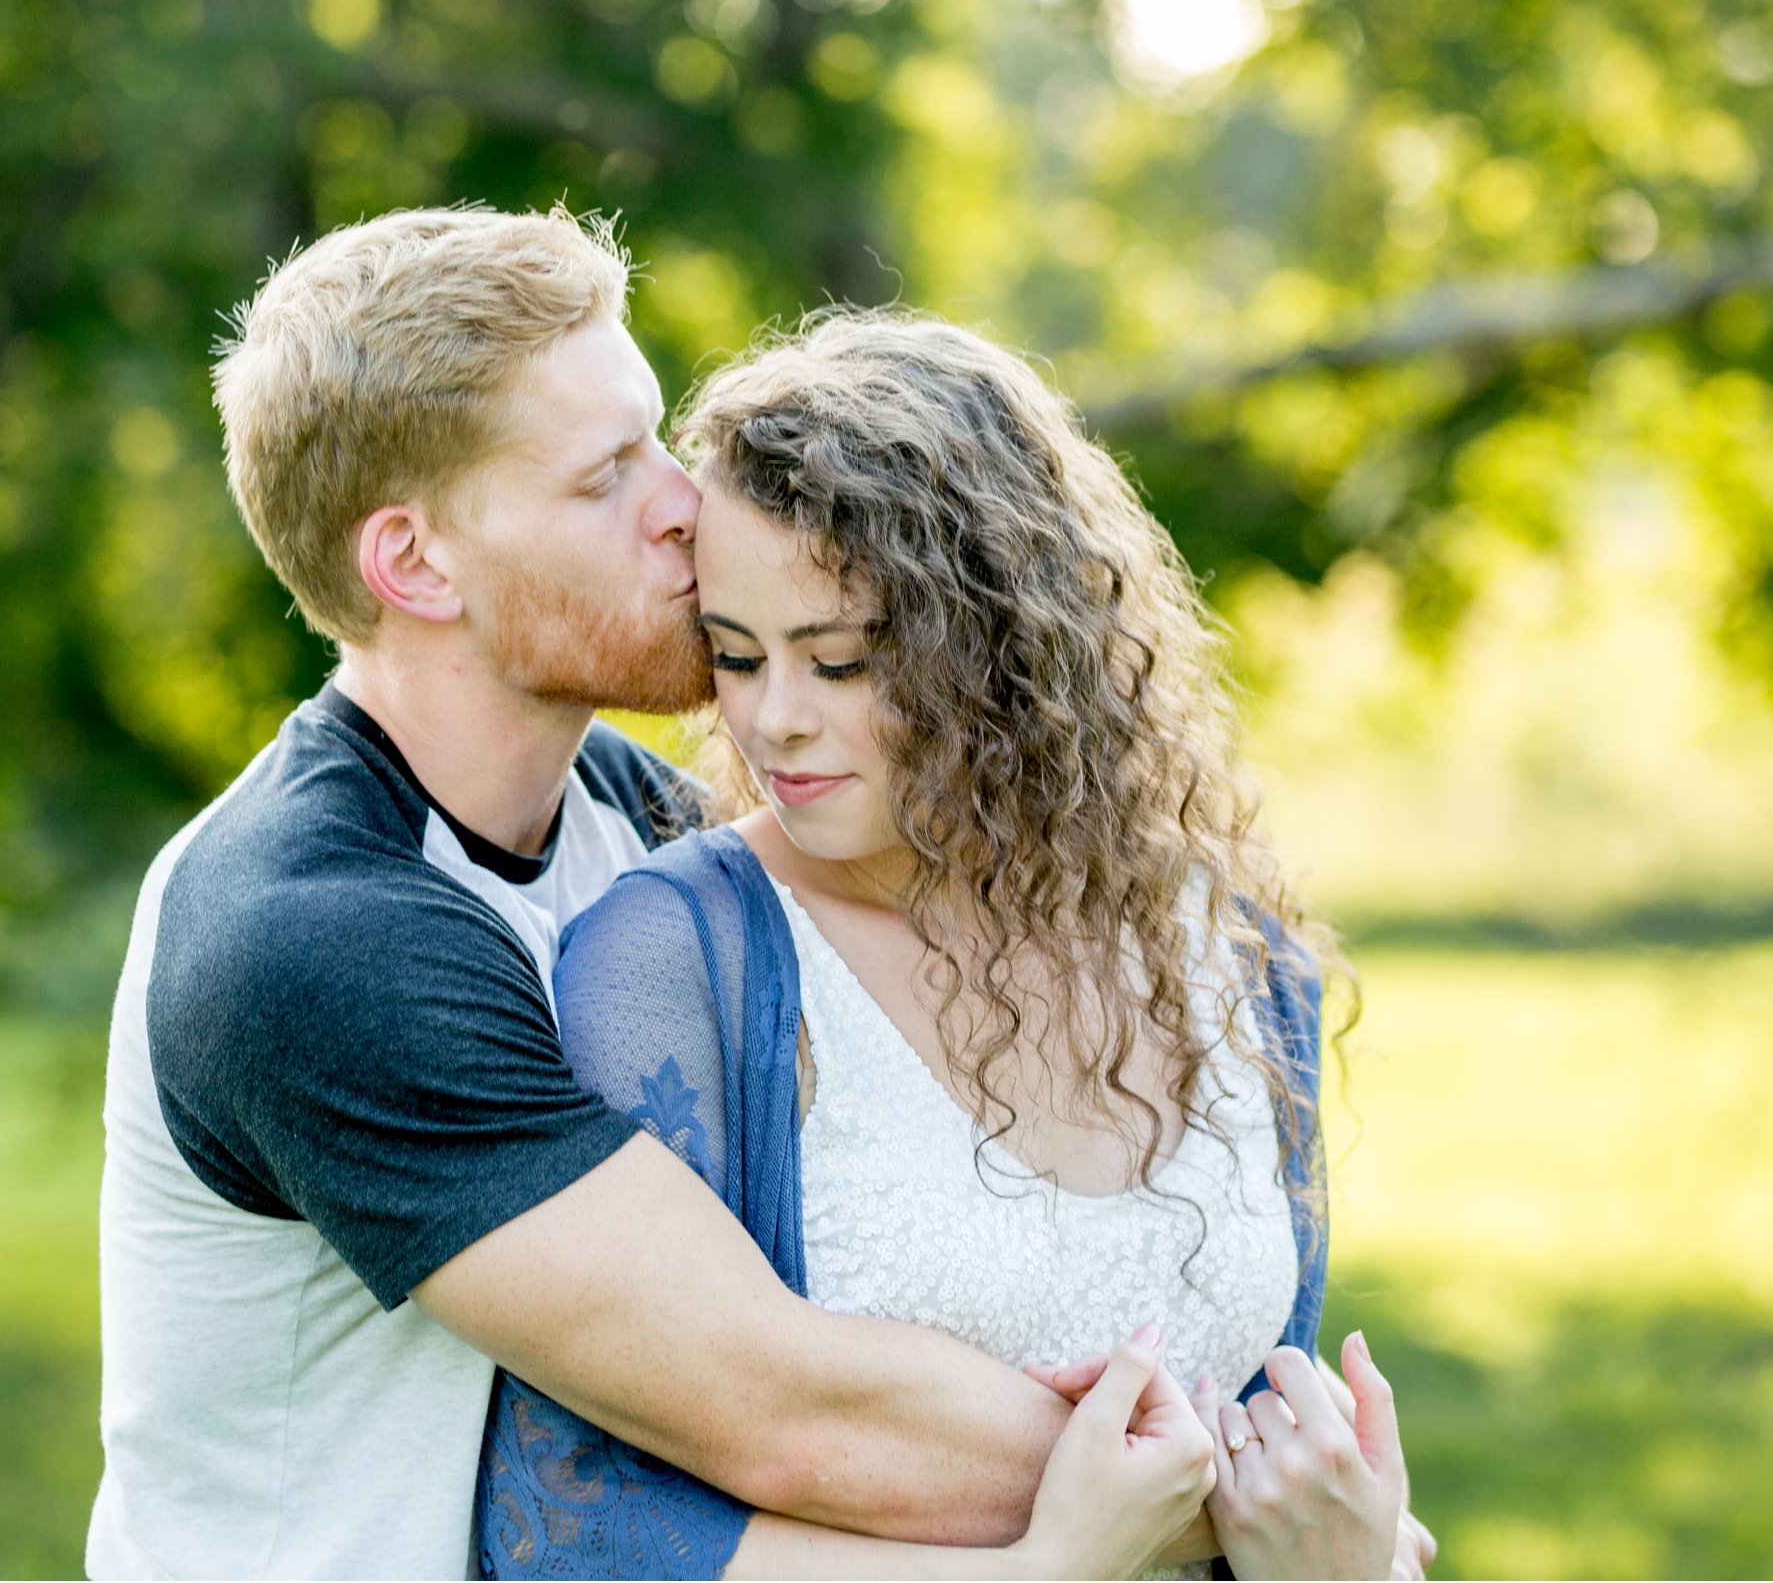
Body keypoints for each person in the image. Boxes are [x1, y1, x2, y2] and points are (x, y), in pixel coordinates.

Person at [89, 204, 1207, 1583]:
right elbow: (779, 1406)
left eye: (655, 438)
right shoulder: (313, 933)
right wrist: (1246, 1501)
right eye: (605, 475)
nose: (683, 504)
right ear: (413, 564)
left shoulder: (636, 812)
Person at [480, 310, 1423, 1581]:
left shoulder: (1239, 956)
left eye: (844, 660)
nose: (772, 721)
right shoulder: (678, 959)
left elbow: (1268, 1454)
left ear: (1003, 648)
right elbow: (574, 1526)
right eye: (737, 655)